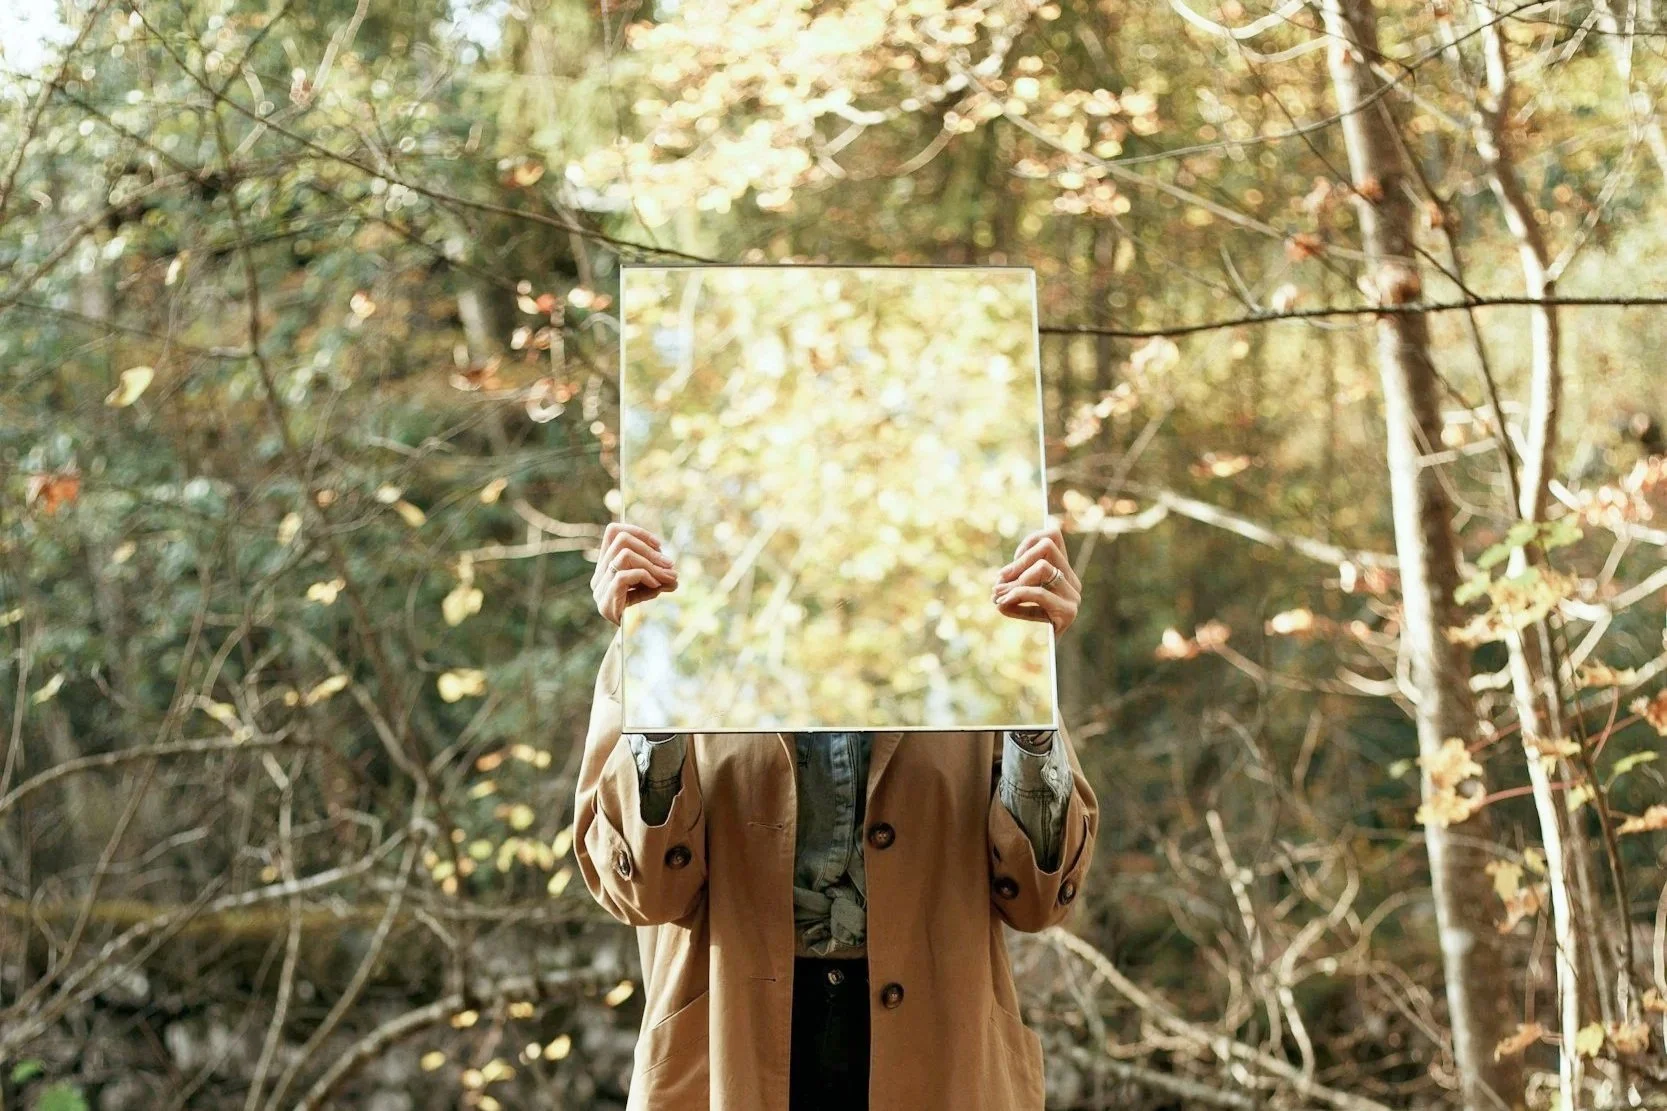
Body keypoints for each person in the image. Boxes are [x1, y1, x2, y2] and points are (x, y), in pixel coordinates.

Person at [574, 520, 1098, 1111]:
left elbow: (1039, 897)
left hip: (943, 1066)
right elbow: (640, 891)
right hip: (723, 1063)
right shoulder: (682, 618)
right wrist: (654, 662)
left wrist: (1030, 682)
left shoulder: (971, 625)